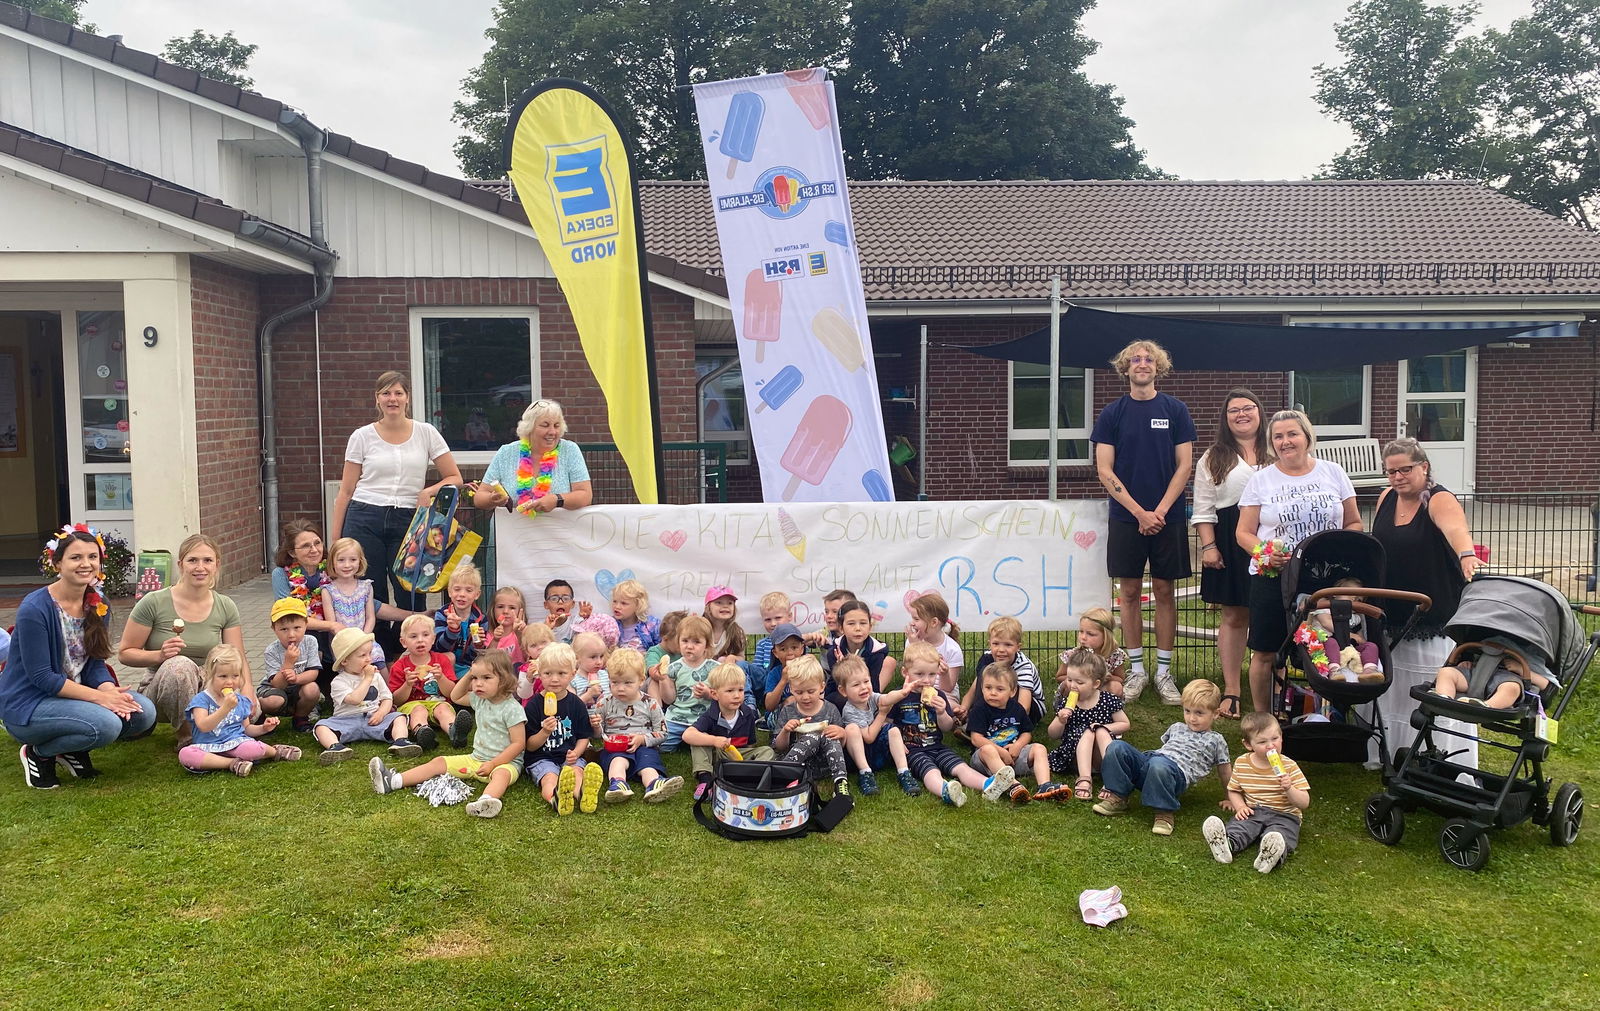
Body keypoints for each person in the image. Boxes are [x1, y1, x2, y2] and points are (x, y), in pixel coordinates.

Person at [2, 524, 156, 788]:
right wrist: (101, 698)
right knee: (107, 725)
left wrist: (110, 691)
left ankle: (70, 748)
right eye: (76, 557)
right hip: (30, 704)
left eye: (92, 557)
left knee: (143, 713)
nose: (86, 564)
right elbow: (42, 678)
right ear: (57, 563)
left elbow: (95, 664)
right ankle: (39, 753)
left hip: (73, 696)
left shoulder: (98, 603)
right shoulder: (35, 609)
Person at [1091, 339, 1196, 704]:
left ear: (1158, 367)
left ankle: (1164, 673)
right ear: (1126, 368)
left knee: (1165, 592)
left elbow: (1185, 465)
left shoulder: (1176, 410)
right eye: (1135, 359)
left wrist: (1160, 512)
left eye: (1149, 359)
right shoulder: (1112, 414)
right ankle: (1136, 670)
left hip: (1168, 517)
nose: (1142, 363)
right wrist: (1139, 512)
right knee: (1130, 593)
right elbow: (1104, 470)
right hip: (1126, 518)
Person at [329, 371, 462, 656]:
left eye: (398, 393)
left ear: (407, 398)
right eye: (386, 393)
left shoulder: (426, 432)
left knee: (410, 591)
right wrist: (336, 541)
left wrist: (429, 491)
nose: (393, 399)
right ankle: (376, 657)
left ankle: (414, 655)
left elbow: (455, 477)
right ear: (377, 399)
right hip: (365, 516)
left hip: (409, 520)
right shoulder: (362, 436)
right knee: (370, 590)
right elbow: (346, 491)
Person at [1371, 437, 1485, 767]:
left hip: (1432, 613)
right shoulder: (1385, 497)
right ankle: (1392, 752)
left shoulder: (1438, 499)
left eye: (1405, 469)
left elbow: (1457, 531)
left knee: (1431, 683)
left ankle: (1444, 756)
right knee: (1394, 684)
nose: (1397, 477)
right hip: (1392, 608)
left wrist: (1467, 555)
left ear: (1424, 467)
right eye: (1391, 471)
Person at [1236, 410, 1361, 712]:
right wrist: (1266, 553)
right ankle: (1263, 720)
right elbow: (1243, 533)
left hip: (1325, 578)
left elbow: (1354, 523)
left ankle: (1332, 713)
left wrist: (1337, 548)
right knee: (1266, 651)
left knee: (1332, 644)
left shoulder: (1333, 472)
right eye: (1278, 436)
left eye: (1292, 434)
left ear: (1307, 437)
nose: (1285, 441)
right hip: (1275, 577)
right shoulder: (1261, 480)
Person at [119, 533, 254, 748]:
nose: (200, 567)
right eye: (193, 560)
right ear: (181, 564)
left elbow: (237, 656)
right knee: (180, 666)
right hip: (163, 685)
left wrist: (248, 691)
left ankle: (230, 733)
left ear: (217, 565)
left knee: (249, 706)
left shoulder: (225, 605)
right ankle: (188, 736)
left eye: (207, 560)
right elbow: (125, 653)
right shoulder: (153, 602)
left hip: (208, 682)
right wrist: (159, 655)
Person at [369, 651, 527, 819]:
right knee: (438, 762)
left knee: (501, 776)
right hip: (476, 760)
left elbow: (518, 744)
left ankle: (486, 801)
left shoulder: (512, 709)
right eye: (475, 678)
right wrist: (469, 674)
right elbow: (455, 696)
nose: (478, 683)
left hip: (505, 764)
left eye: (486, 678)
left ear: (504, 679)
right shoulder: (480, 699)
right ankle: (393, 781)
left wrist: (493, 764)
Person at [1191, 387, 1268, 719]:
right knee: (1235, 615)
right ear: (1225, 418)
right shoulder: (1213, 457)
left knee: (1273, 613)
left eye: (1248, 408)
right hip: (1229, 538)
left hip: (1273, 536)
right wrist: (1209, 547)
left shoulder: (1277, 447)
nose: (1242, 414)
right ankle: (1233, 689)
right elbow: (1203, 508)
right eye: (1234, 410)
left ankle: (1274, 685)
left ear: (1259, 412)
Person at [1094, 679, 1232, 836]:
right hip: (1152, 762)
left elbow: (1225, 770)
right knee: (1116, 747)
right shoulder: (1177, 727)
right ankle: (1118, 796)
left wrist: (1230, 797)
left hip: (1175, 775)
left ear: (1215, 714)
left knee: (1159, 764)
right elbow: (1166, 749)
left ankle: (1164, 813)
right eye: (1187, 711)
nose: (1192, 718)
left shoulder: (1216, 740)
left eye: (1199, 713)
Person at [882, 641, 998, 807]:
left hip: (937, 746)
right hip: (913, 751)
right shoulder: (899, 697)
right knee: (931, 771)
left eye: (932, 674)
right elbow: (886, 724)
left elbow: (947, 727)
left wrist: (942, 712)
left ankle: (988, 784)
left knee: (960, 767)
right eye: (919, 674)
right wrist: (897, 743)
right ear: (905, 672)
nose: (926, 680)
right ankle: (944, 790)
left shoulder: (939, 696)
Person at [1202, 712, 1311, 873]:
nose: (1271, 746)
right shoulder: (1242, 763)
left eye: (1275, 739)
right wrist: (1240, 807)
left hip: (1285, 815)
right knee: (1241, 826)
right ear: (1248, 744)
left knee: (1280, 834)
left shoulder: (1289, 766)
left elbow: (1304, 802)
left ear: (1281, 737)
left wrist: (1289, 788)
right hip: (1254, 810)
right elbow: (1234, 790)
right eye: (1262, 742)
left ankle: (1271, 854)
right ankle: (1226, 844)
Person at [180, 645, 301, 776]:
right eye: (223, 676)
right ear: (210, 675)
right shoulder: (201, 700)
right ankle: (232, 763)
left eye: (235, 676)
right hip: (207, 747)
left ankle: (275, 751)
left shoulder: (240, 701)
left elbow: (246, 729)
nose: (229, 682)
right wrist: (225, 708)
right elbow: (203, 726)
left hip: (235, 744)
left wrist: (263, 728)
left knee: (252, 748)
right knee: (186, 754)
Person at [312, 628, 422, 764]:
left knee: (399, 717)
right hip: (346, 721)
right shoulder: (339, 681)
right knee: (321, 726)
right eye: (362, 655)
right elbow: (354, 699)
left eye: (369, 653)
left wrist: (381, 713)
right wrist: (368, 678)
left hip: (373, 719)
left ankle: (401, 741)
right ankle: (335, 747)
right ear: (345, 661)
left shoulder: (376, 676)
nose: (369, 659)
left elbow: (387, 698)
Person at [470, 398, 594, 517]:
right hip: (512, 529)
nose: (552, 432)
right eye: (545, 425)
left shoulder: (569, 450)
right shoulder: (506, 452)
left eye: (556, 426)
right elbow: (480, 497)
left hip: (558, 529)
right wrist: (492, 499)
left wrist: (557, 499)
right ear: (529, 427)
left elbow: (585, 495)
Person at [588, 649, 682, 804]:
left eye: (627, 683)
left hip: (644, 748)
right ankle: (618, 784)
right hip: (615, 749)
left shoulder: (650, 704)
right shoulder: (604, 703)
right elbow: (599, 735)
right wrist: (596, 726)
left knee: (647, 764)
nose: (620, 688)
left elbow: (663, 733)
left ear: (641, 680)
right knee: (618, 761)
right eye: (615, 682)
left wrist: (642, 739)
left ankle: (654, 784)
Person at [522, 643, 601, 816]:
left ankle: (582, 795)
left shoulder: (576, 704)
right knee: (549, 778)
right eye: (548, 673)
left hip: (569, 755)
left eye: (561, 673)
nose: (554, 679)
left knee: (577, 772)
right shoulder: (534, 706)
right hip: (541, 758)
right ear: (539, 674)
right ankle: (555, 798)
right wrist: (544, 732)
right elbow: (529, 746)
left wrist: (577, 753)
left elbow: (584, 736)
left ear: (572, 674)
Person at [683, 662, 776, 802]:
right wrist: (714, 740)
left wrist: (746, 757)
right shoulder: (710, 715)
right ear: (714, 694)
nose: (737, 695)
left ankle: (748, 778)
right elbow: (687, 735)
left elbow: (750, 744)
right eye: (730, 691)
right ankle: (706, 780)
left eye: (741, 690)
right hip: (717, 756)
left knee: (767, 751)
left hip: (739, 756)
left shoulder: (748, 714)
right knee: (698, 740)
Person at [965, 663, 1054, 805]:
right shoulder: (979, 709)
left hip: (1013, 755)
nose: (993, 693)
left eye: (999, 689)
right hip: (986, 761)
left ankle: (1045, 786)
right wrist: (1000, 751)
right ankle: (1013, 785)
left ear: (1012, 691)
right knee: (987, 750)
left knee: (1039, 748)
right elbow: (976, 739)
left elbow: (1026, 733)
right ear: (981, 688)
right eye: (988, 688)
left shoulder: (1017, 708)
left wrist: (1018, 746)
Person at [1045, 650, 1129, 800]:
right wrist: (1060, 720)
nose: (1073, 686)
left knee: (1100, 731)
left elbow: (1124, 724)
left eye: (1079, 682)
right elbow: (1052, 734)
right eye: (1069, 680)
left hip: (1100, 755)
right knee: (1088, 732)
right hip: (1074, 755)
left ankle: (1111, 778)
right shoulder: (1066, 703)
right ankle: (1084, 778)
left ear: (1095, 684)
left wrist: (1103, 727)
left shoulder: (1107, 700)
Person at [771, 656, 853, 798]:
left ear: (822, 687)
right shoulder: (788, 711)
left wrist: (842, 733)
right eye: (799, 692)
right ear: (791, 689)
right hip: (797, 766)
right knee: (813, 736)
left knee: (829, 736)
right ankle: (784, 774)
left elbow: (840, 745)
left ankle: (840, 782)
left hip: (824, 766)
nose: (805, 697)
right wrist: (785, 731)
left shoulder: (830, 709)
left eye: (810, 691)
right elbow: (779, 747)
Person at [834, 654, 915, 796]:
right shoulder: (849, 710)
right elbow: (868, 738)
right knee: (851, 729)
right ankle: (865, 774)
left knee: (893, 730)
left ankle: (904, 772)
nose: (863, 687)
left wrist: (902, 693)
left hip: (878, 754)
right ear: (843, 691)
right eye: (856, 685)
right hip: (859, 757)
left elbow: (887, 698)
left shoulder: (871, 697)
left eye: (866, 681)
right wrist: (882, 714)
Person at [388, 613, 466, 750]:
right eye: (413, 636)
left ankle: (454, 731)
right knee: (419, 710)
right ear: (403, 642)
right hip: (411, 705)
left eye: (425, 635)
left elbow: (451, 693)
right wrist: (407, 685)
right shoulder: (399, 666)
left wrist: (441, 678)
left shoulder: (441, 661)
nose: (420, 640)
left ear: (433, 639)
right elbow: (397, 700)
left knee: (443, 709)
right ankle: (422, 732)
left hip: (438, 702)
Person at [652, 615, 718, 751]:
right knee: (662, 746)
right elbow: (669, 699)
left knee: (712, 746)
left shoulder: (715, 668)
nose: (689, 646)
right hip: (677, 718)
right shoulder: (673, 668)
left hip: (705, 719)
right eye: (685, 641)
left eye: (696, 642)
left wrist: (708, 694)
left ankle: (694, 741)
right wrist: (663, 680)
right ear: (678, 641)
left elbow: (723, 696)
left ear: (707, 645)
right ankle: (682, 740)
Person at [258, 597, 323, 732]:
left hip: (298, 688)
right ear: (274, 628)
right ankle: (258, 712)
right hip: (274, 690)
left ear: (306, 624)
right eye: (284, 629)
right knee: (275, 701)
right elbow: (278, 685)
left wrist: (296, 678)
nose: (291, 634)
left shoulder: (310, 642)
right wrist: (288, 663)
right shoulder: (271, 650)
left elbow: (313, 673)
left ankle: (300, 718)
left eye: (297, 628)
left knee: (312, 689)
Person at [1056, 607, 1129, 698]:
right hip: (1078, 690)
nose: (1083, 637)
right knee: (1067, 685)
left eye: (1090, 634)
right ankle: (1071, 706)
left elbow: (1120, 679)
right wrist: (1078, 680)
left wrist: (1107, 678)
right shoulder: (1073, 654)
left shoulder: (1115, 655)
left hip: (1100, 689)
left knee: (1116, 687)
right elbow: (1059, 677)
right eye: (1081, 631)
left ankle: (1104, 705)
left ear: (1106, 636)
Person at [434, 562, 486, 677]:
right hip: (441, 666)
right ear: (449, 592)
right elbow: (439, 648)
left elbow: (476, 657)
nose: (462, 594)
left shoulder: (481, 619)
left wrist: (478, 645)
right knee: (450, 657)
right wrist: (452, 630)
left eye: (469, 590)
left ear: (477, 594)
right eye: (457, 589)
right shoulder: (442, 614)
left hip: (467, 667)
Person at [905, 592, 963, 693]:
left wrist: (944, 674)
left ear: (934, 622)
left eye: (916, 619)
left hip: (944, 692)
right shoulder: (912, 641)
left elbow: (948, 688)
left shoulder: (952, 649)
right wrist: (916, 646)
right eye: (912, 618)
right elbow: (909, 674)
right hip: (917, 687)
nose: (912, 623)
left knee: (946, 702)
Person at [611, 579, 660, 653]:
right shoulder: (610, 625)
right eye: (614, 601)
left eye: (623, 603)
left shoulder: (652, 625)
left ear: (638, 605)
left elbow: (662, 649)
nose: (617, 606)